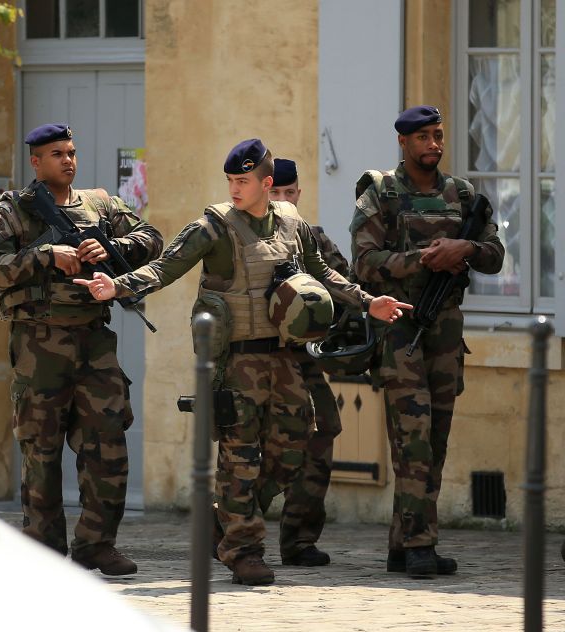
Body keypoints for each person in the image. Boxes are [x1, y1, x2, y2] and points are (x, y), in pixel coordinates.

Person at [75, 139, 410, 585]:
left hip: (286, 359)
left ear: (267, 184)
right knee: (240, 459)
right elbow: (166, 267)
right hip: (237, 363)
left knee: (293, 449)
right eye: (231, 180)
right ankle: (244, 550)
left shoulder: (292, 223)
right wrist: (115, 287)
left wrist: (368, 303)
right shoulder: (212, 227)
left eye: (244, 181)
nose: (235, 188)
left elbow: (323, 273)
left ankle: (226, 518)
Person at [0, 123, 163, 576]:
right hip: (39, 343)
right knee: (41, 451)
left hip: (94, 341)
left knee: (108, 445)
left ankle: (97, 545)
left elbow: (154, 239)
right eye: (57, 153)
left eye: (72, 152)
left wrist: (110, 246)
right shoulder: (13, 211)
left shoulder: (101, 204)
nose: (68, 160)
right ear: (36, 162)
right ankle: (43, 549)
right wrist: (47, 256)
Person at [350, 105, 505, 578]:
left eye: (438, 136)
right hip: (400, 330)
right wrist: (423, 260)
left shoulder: (463, 195)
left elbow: (495, 255)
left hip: (446, 333)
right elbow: (363, 263)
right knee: (412, 440)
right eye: (422, 138)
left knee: (434, 439)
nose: (433, 145)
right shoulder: (380, 194)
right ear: (403, 143)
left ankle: (402, 543)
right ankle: (421, 544)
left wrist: (466, 249)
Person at [268, 158, 349, 567]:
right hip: (260, 360)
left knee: (322, 431)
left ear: (299, 193)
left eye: (289, 193)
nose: (283, 200)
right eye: (275, 194)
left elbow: (344, 285)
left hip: (304, 357)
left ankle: (299, 539)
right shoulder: (243, 238)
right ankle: (227, 525)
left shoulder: (312, 238)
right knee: (265, 448)